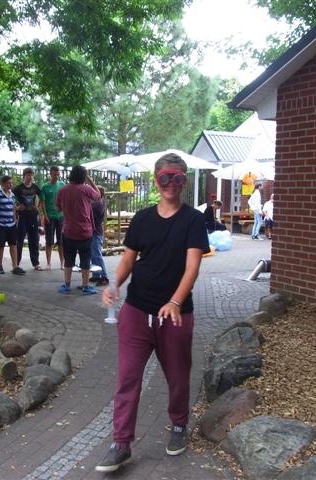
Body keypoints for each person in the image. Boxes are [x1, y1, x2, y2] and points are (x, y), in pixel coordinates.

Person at [95, 153, 208, 473]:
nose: (171, 184)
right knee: (128, 378)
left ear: (184, 181)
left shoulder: (193, 220)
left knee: (178, 376)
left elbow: (192, 266)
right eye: (164, 178)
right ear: (156, 181)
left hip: (175, 315)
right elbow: (128, 259)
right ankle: (121, 443)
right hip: (136, 310)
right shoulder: (142, 219)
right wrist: (114, 284)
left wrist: (175, 302)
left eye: (177, 178)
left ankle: (178, 424)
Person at [55, 165, 101, 295]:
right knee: (85, 260)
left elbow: (58, 208)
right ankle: (85, 286)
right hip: (84, 231)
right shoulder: (86, 189)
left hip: (68, 231)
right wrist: (90, 180)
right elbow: (98, 196)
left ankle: (66, 285)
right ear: (83, 176)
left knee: (68, 259)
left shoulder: (62, 190)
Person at [0, 175, 25, 275]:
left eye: (11, 183)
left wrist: (15, 219)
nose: (10, 185)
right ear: (3, 184)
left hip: (11, 224)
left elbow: (13, 208)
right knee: (1, 245)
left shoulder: (12, 195)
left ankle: (15, 266)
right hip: (0, 224)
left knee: (13, 245)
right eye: (8, 183)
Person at [13, 167, 45, 271]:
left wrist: (38, 207)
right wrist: (18, 207)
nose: (30, 177)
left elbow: (42, 197)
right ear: (24, 176)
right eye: (28, 175)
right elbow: (11, 199)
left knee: (34, 239)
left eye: (31, 175)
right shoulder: (18, 188)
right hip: (22, 216)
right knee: (19, 240)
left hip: (33, 216)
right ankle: (16, 264)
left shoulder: (35, 187)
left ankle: (36, 263)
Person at [40, 166, 65, 270]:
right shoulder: (45, 187)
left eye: (58, 174)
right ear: (50, 174)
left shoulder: (62, 184)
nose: (56, 176)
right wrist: (45, 215)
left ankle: (62, 263)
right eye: (54, 174)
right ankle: (48, 263)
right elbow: (42, 203)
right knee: (49, 241)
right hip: (50, 216)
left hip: (60, 216)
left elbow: (65, 199)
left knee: (61, 241)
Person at [90, 187, 109, 286]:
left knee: (96, 255)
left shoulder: (97, 204)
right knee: (93, 255)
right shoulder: (98, 203)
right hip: (94, 232)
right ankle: (96, 275)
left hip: (96, 232)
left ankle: (104, 276)